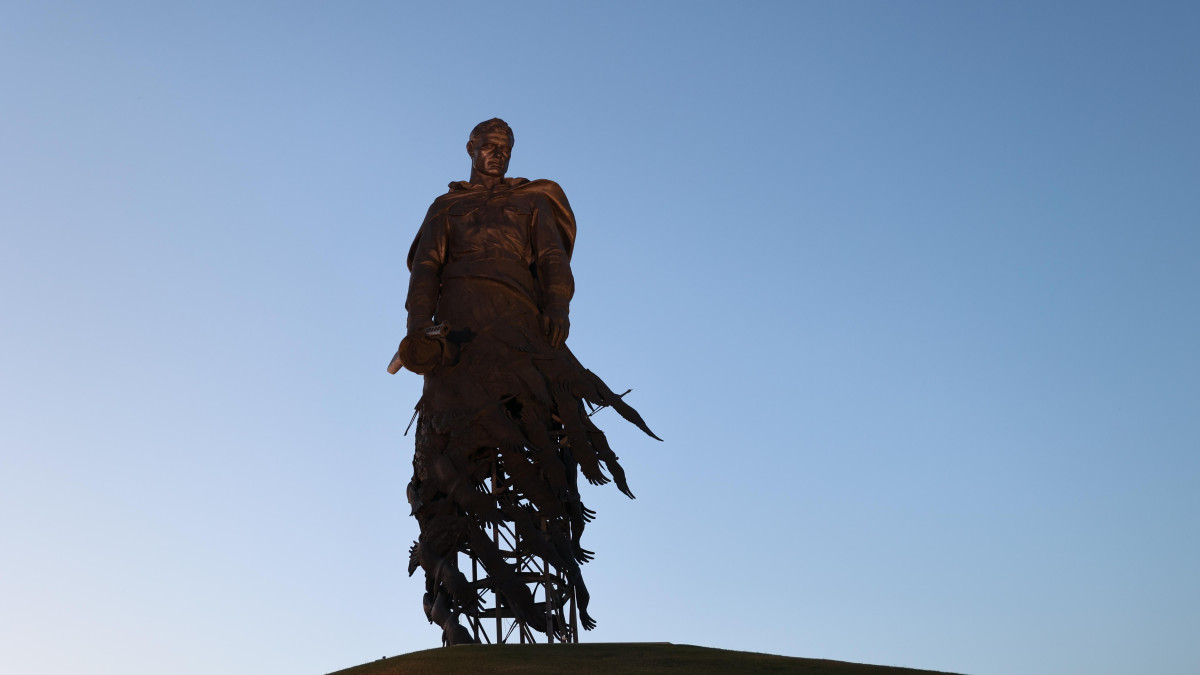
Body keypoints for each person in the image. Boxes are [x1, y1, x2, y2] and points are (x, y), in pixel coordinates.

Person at [392, 118, 657, 645]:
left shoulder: (533, 201)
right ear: (470, 148)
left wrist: (557, 305)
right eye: (489, 146)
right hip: (459, 334)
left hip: (518, 326)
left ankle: (549, 584)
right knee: (448, 449)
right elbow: (425, 271)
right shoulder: (445, 208)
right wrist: (418, 328)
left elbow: (553, 259)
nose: (498, 154)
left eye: (505, 148)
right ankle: (452, 607)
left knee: (538, 434)